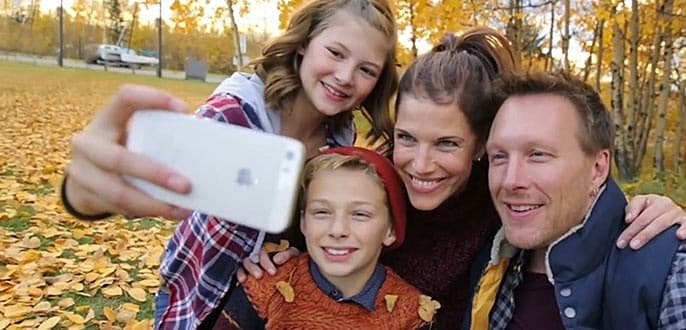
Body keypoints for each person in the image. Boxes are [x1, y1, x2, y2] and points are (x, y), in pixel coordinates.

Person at [241, 28, 686, 329]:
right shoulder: (372, 189)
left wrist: (646, 208)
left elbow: (573, 203)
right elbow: (314, 228)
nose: (420, 163)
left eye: (448, 144)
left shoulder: (504, 222)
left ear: (479, 146)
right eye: (407, 138)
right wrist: (264, 253)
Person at [59, 0, 400, 328]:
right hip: (198, 296)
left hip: (264, 302)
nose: (344, 76)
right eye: (336, 53)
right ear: (304, 45)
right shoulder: (233, 115)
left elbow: (310, 216)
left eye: (366, 69)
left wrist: (291, 248)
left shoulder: (341, 137)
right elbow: (151, 182)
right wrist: (82, 195)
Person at [469, 72, 686, 329]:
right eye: (499, 156)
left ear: (597, 167)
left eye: (538, 154)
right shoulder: (488, 260)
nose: (510, 180)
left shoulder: (671, 268)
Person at [218, 146, 438, 329]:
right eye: (322, 212)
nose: (337, 230)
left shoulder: (410, 314)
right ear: (303, 222)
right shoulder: (266, 288)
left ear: (390, 231)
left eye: (360, 214)